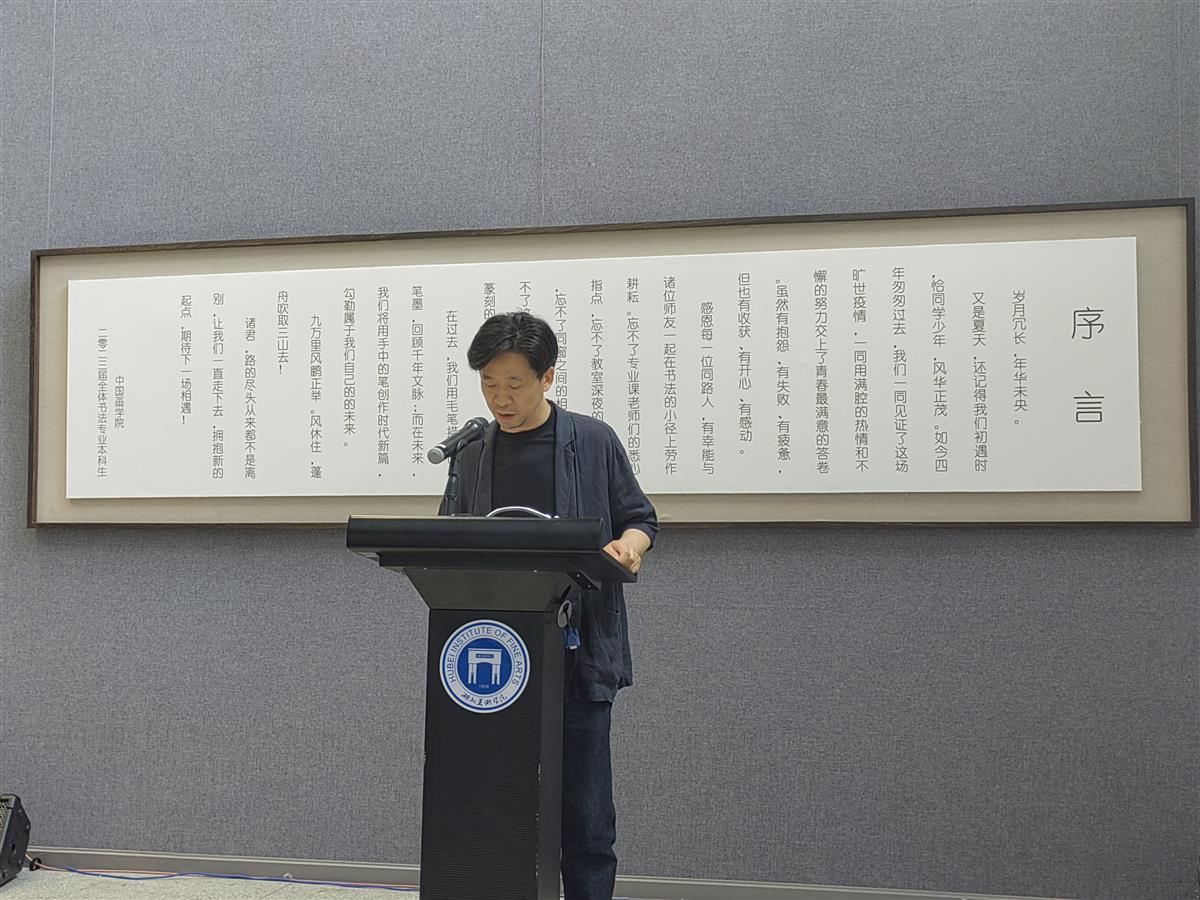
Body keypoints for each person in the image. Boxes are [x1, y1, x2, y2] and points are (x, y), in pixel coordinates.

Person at [437, 310, 658, 900]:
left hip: (576, 651)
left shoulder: (592, 440)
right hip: (493, 657)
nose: (500, 398)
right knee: (496, 808)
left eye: (514, 383)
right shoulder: (472, 452)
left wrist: (630, 546)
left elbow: (640, 518)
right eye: (489, 383)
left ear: (548, 377)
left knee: (586, 818)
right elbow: (447, 538)